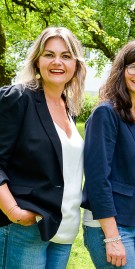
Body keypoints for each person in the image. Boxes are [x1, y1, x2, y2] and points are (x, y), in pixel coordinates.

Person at [0, 27, 86, 268]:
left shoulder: (67, 106)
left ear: (76, 65)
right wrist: (13, 211)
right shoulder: (17, 98)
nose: (57, 62)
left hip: (64, 231)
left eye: (66, 56)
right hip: (24, 229)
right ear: (37, 61)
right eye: (49, 54)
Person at [81, 40, 135, 268]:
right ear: (121, 70)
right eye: (134, 67)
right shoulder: (106, 114)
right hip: (111, 226)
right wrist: (112, 237)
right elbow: (97, 180)